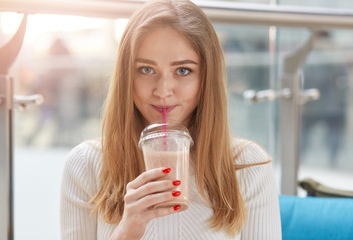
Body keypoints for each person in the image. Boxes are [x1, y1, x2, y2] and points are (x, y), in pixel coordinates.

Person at [60, 0, 282, 239]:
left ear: (207, 78)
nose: (163, 90)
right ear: (127, 76)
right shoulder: (86, 165)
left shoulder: (248, 166)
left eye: (183, 70)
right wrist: (126, 231)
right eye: (146, 69)